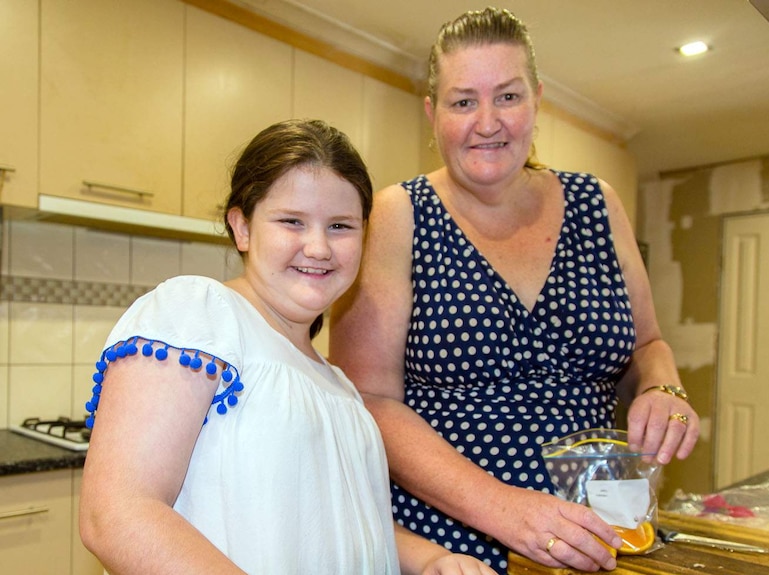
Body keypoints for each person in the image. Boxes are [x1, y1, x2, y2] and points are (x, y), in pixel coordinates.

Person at [329, 7, 700, 574]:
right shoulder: (397, 215)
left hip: (600, 534)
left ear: (537, 99)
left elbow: (647, 346)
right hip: (450, 548)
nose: (487, 122)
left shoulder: (597, 203)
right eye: (462, 101)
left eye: (507, 96)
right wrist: (503, 508)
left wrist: (663, 387)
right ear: (432, 114)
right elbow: (369, 401)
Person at [78, 119, 497, 575]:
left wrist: (432, 559)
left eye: (340, 226)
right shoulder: (198, 316)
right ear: (241, 227)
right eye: (291, 221)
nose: (318, 247)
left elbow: (336, 524)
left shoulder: (337, 383)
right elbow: (118, 513)